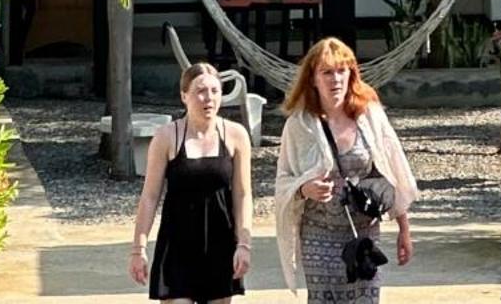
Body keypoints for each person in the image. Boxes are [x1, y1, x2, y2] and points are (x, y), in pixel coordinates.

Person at [274, 37, 417, 302]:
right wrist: (304, 189)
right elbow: (283, 181)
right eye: (327, 72)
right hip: (319, 236)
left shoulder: (370, 116)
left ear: (352, 74)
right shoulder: (299, 125)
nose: (335, 79)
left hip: (364, 234)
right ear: (313, 79)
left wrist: (404, 230)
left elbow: (393, 171)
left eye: (342, 71)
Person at [129, 62, 253, 302]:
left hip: (220, 241)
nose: (209, 98)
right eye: (200, 91)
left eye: (215, 91)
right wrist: (138, 249)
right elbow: (150, 196)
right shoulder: (166, 137)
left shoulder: (236, 135)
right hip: (177, 243)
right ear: (184, 96)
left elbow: (243, 195)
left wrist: (244, 244)